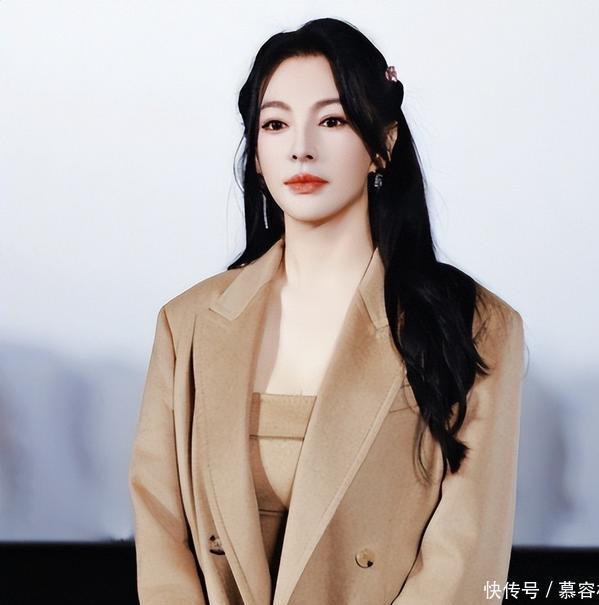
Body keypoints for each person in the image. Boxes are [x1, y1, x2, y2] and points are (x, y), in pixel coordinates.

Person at [128, 16, 526, 605]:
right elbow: (163, 534)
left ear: (383, 145)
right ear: (256, 153)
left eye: (333, 120)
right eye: (275, 123)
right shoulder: (186, 323)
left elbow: (465, 560)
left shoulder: (474, 325)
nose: (301, 147)